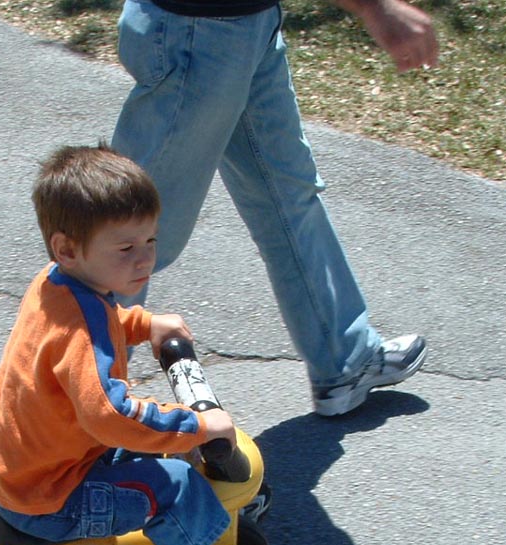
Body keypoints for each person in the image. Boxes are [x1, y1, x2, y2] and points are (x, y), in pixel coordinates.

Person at [0, 144, 276, 545]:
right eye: (125, 248)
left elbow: (102, 328)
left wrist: (144, 323)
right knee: (178, 486)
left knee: (163, 449)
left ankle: (204, 536)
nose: (144, 259)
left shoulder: (58, 286)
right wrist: (196, 427)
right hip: (56, 499)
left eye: (151, 240)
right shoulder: (80, 326)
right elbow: (111, 416)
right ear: (67, 248)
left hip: (29, 474)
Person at [111, 0, 438, 416]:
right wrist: (376, 8)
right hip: (198, 29)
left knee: (285, 194)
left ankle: (344, 359)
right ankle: (71, 404)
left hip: (248, 22)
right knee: (125, 231)